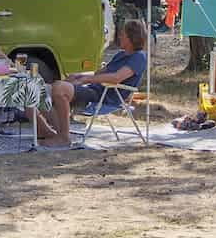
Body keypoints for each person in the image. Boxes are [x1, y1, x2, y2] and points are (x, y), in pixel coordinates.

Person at [39, 19, 149, 148]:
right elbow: (99, 74)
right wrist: (80, 76)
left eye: (123, 34)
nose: (120, 37)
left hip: (105, 97)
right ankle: (55, 134)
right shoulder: (120, 55)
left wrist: (85, 80)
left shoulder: (139, 57)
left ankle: (64, 137)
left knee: (59, 89)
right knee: (43, 91)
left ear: (131, 37)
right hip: (94, 90)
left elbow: (116, 78)